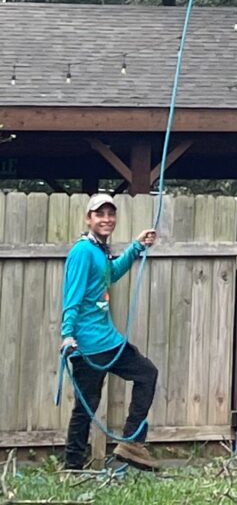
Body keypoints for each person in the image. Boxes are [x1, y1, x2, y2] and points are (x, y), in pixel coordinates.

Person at [60, 193, 160, 471]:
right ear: (88, 218)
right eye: (99, 214)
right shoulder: (82, 251)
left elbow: (111, 273)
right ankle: (72, 466)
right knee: (86, 408)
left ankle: (131, 443)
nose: (106, 219)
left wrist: (136, 247)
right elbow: (72, 295)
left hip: (108, 340)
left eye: (110, 214)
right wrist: (67, 335)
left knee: (146, 374)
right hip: (88, 344)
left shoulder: (99, 250)